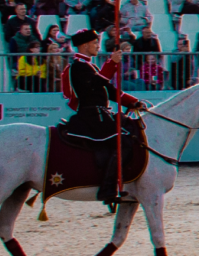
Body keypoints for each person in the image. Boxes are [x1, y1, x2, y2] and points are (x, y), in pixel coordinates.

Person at [62, 28, 146, 207]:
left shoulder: (90, 66)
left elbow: (109, 90)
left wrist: (133, 103)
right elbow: (95, 85)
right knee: (122, 141)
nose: (97, 46)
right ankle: (108, 189)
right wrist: (112, 63)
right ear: (84, 45)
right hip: (92, 115)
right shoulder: (78, 66)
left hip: (101, 113)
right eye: (94, 43)